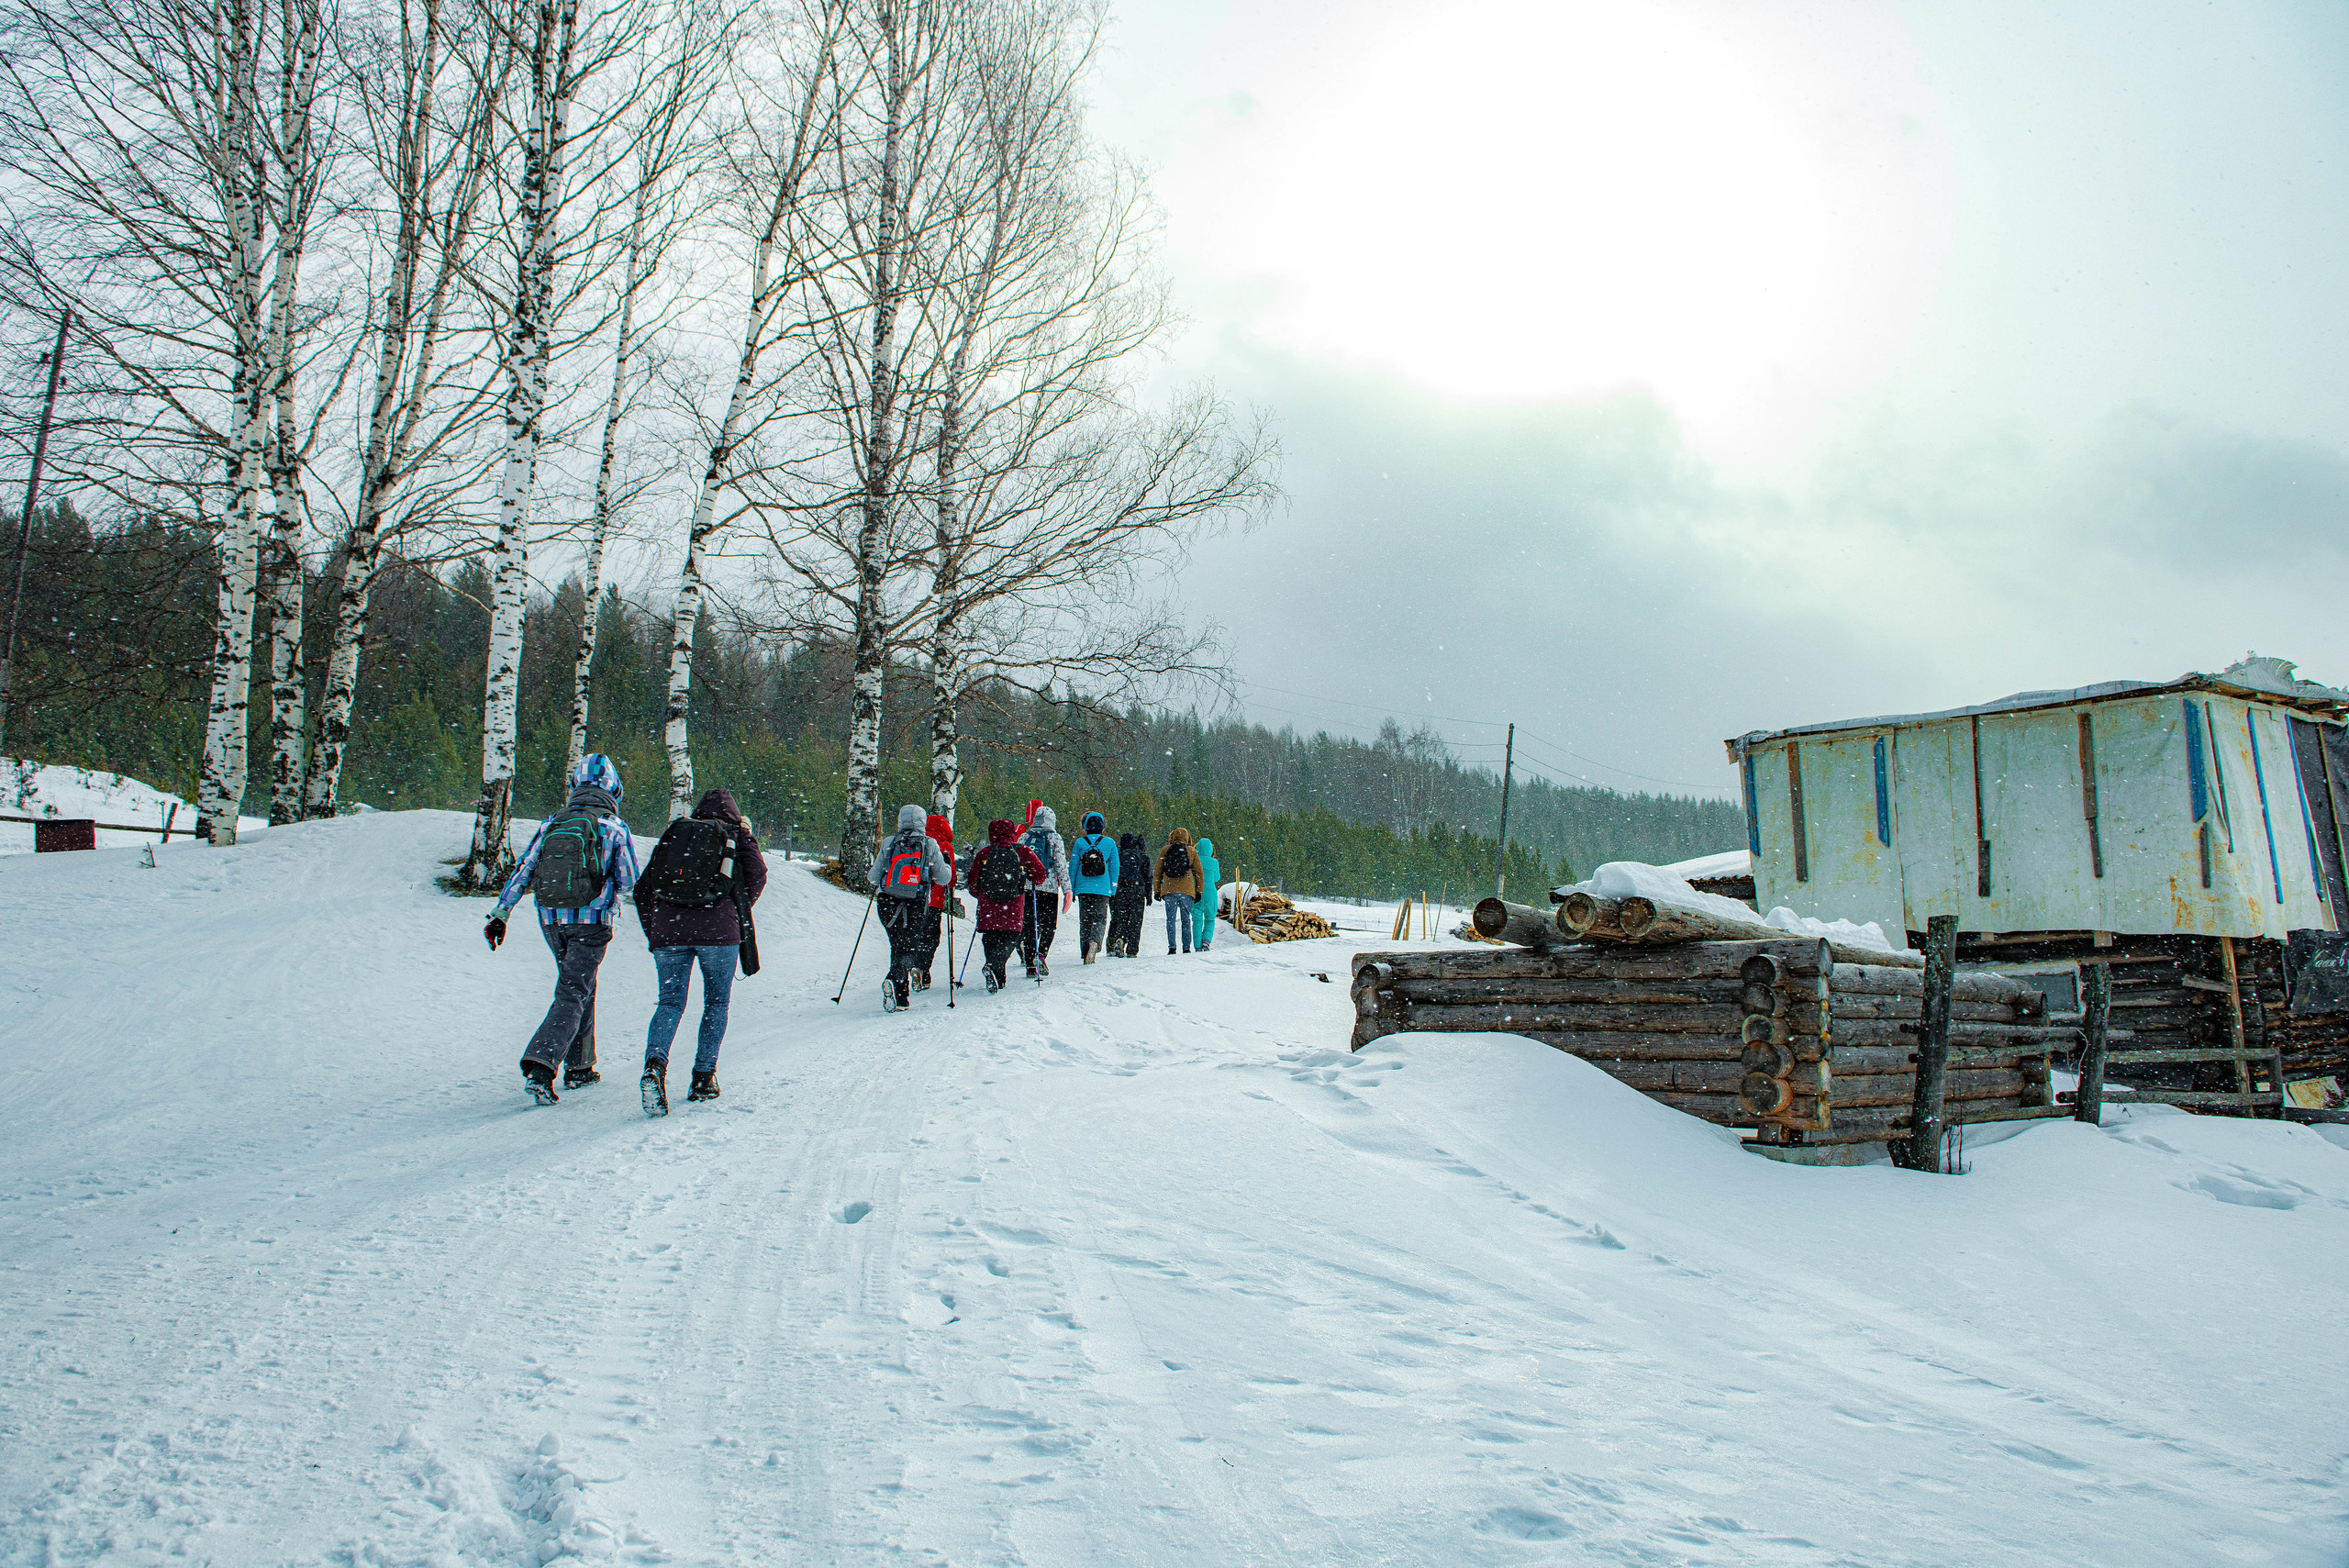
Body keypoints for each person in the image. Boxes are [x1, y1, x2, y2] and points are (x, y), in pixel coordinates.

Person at [484, 753, 640, 1105]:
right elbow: (629, 880)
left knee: (579, 986)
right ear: (614, 789)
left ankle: (580, 1068)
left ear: (575, 786)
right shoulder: (614, 827)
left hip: (551, 921)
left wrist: (502, 913)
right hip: (592, 923)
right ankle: (541, 1065)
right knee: (574, 991)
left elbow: (525, 869)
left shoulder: (552, 822)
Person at [632, 786, 766, 1114]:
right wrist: (733, 908)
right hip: (719, 934)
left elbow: (643, 890)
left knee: (670, 1002)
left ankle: (655, 1066)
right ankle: (703, 1078)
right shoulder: (737, 835)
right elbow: (758, 875)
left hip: (670, 932)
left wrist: (656, 929)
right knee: (716, 1002)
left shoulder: (677, 833)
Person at [869, 805, 952, 1010]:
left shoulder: (890, 842)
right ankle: (894, 978)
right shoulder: (929, 844)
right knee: (909, 949)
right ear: (922, 822)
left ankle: (901, 997)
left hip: (887, 902)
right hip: (915, 903)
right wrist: (946, 864)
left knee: (897, 946)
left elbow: (873, 878)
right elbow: (944, 879)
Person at [970, 817, 1049, 991]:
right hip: (1013, 905)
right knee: (1009, 938)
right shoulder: (1022, 851)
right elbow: (1040, 875)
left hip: (988, 905)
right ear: (1012, 833)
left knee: (990, 939)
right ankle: (993, 967)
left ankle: (998, 977)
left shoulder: (984, 853)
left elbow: (973, 882)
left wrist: (981, 895)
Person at [1020, 804, 1071, 977]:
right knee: (1049, 925)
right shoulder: (1055, 838)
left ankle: (1030, 964)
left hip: (1028, 888)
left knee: (1029, 926)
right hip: (1049, 889)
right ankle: (1041, 954)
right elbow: (1061, 866)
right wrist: (1067, 890)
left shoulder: (1025, 837)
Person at [1068, 811, 1119, 963]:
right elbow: (1114, 868)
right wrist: (1113, 889)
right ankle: (1095, 942)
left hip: (1083, 887)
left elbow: (1073, 867)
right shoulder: (1109, 843)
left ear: (1086, 826)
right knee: (1099, 919)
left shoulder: (1080, 843)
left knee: (1085, 920)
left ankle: (1085, 951)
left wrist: (1072, 889)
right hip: (1102, 888)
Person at [918, 811, 957, 990]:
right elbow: (951, 879)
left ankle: (910, 966)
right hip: (934, 900)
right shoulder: (945, 846)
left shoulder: (919, 841)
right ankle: (923, 969)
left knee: (915, 934)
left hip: (914, 898)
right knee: (931, 937)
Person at [1153, 827, 1204, 955]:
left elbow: (1157, 872)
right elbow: (1199, 873)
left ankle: (1172, 947)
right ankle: (1186, 948)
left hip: (1169, 889)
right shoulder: (1191, 851)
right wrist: (1199, 891)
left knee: (1170, 919)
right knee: (1186, 919)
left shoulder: (1165, 850)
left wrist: (1157, 890)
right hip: (1186, 890)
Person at [1108, 829, 1152, 957]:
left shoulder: (1118, 856)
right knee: (1136, 922)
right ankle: (1132, 950)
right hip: (1138, 891)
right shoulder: (1143, 857)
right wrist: (1149, 894)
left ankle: (1120, 939)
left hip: (1121, 891)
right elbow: (1148, 877)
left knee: (1122, 919)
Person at [1193, 835, 1222, 951]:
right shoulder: (1214, 862)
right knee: (1210, 919)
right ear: (1211, 849)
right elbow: (1217, 878)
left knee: (1197, 920)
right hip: (1210, 893)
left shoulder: (1194, 860)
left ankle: (1197, 946)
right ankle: (1206, 942)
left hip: (1197, 892)